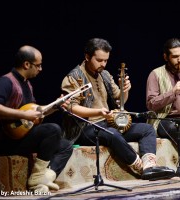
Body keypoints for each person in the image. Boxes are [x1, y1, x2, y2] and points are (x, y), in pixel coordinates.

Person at [61, 38, 175, 180]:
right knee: (112, 133)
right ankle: (139, 167)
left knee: (147, 129)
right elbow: (71, 107)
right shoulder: (74, 77)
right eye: (99, 60)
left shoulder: (105, 75)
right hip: (85, 127)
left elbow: (119, 100)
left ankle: (150, 166)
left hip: (107, 122)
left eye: (106, 61)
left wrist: (124, 90)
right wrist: (98, 112)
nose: (103, 64)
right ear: (87, 57)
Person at [0, 45, 73, 194]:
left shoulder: (27, 84)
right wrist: (23, 115)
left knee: (66, 145)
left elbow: (36, 113)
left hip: (23, 137)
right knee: (52, 129)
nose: (41, 69)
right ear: (27, 64)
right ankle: (36, 181)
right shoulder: (6, 82)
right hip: (6, 141)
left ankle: (43, 179)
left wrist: (56, 106)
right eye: (38, 65)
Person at [146, 38, 180, 144]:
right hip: (164, 120)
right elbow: (151, 104)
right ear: (166, 57)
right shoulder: (155, 74)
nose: (179, 60)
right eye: (175, 57)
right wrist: (173, 92)